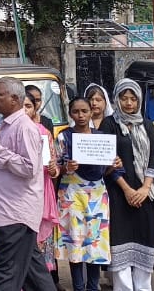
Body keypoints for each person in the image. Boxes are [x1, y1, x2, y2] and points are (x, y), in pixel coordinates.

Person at [0, 77, 56, 291]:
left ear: (15, 99)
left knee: (6, 273)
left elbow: (29, 169)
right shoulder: (8, 124)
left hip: (16, 214)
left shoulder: (24, 127)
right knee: (32, 274)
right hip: (10, 213)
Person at [97, 79, 154, 291]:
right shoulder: (109, 124)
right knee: (120, 240)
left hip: (146, 193)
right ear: (116, 99)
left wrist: (143, 189)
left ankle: (143, 288)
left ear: (140, 100)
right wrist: (127, 189)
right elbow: (108, 159)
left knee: (145, 239)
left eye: (133, 98)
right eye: (124, 98)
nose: (129, 103)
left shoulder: (147, 124)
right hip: (118, 192)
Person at [55, 97, 112, 291]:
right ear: (70, 114)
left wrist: (114, 165)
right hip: (72, 194)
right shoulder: (63, 137)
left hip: (97, 194)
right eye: (76, 111)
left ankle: (93, 287)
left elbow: (106, 171)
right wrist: (66, 168)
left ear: (91, 112)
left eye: (84, 111)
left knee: (95, 242)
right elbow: (54, 168)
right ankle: (78, 287)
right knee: (75, 241)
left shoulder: (102, 138)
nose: (80, 115)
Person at [22, 94, 60, 289]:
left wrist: (54, 169)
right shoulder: (9, 132)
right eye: (21, 106)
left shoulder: (44, 133)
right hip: (19, 195)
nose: (24, 110)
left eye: (28, 106)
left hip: (41, 191)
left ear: (35, 108)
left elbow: (53, 167)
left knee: (39, 244)